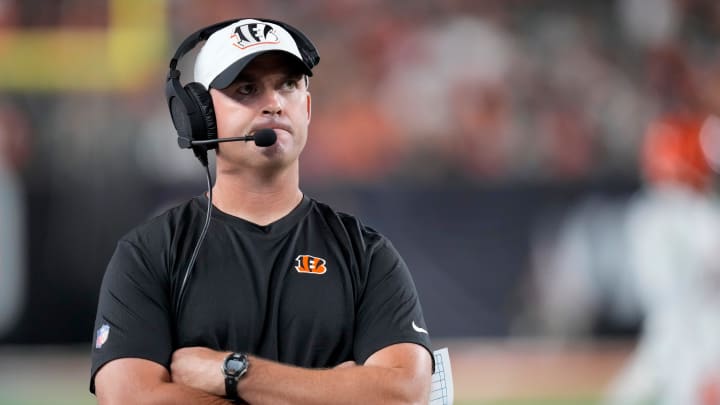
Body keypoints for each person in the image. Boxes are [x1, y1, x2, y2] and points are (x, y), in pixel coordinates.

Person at [89, 18, 434, 404]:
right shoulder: (150, 253)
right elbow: (127, 398)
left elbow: (405, 394)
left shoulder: (366, 253)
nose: (273, 103)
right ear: (200, 115)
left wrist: (233, 372)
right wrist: (332, 393)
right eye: (247, 88)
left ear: (306, 107)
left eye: (288, 85)